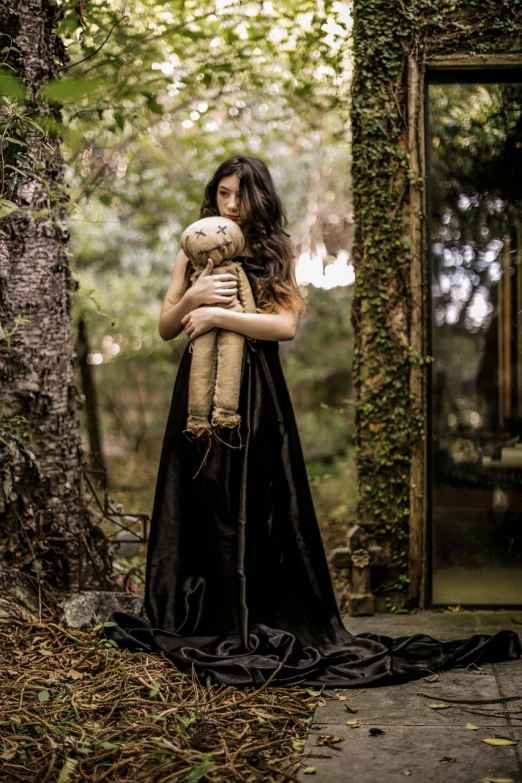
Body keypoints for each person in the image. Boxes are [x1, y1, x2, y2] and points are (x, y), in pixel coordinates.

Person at [106, 155, 521, 687]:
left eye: (239, 195)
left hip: (255, 396)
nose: (229, 205)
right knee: (203, 497)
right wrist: (193, 297)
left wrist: (217, 315)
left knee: (255, 501)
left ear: (259, 198)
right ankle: (206, 616)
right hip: (197, 398)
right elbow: (167, 325)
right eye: (222, 194)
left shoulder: (277, 251)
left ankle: (257, 610)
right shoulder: (193, 249)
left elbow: (284, 326)